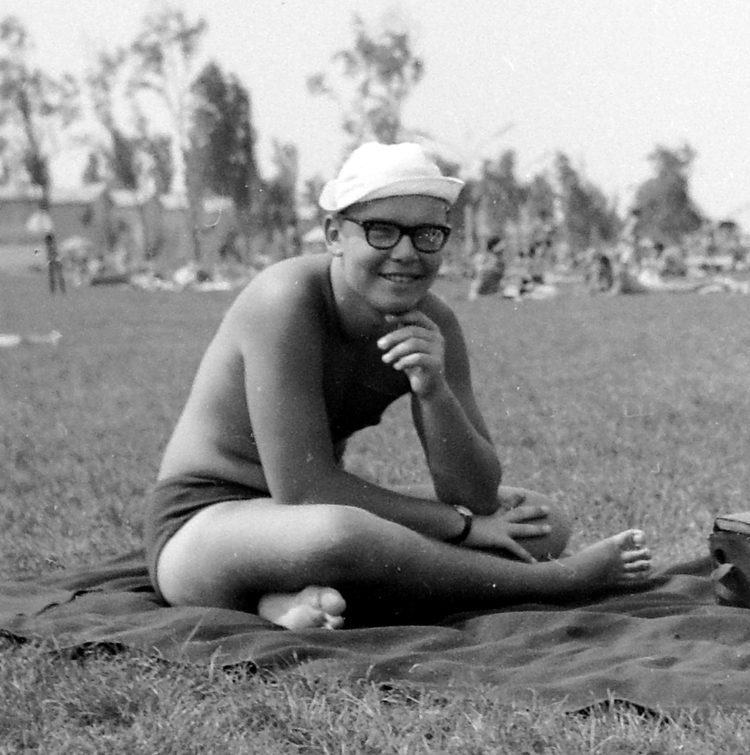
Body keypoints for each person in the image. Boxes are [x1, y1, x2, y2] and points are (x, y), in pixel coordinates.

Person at [145, 140, 658, 631]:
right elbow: (304, 490)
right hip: (204, 523)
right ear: (333, 235)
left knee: (541, 519)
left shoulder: (434, 322)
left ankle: (284, 598)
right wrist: (460, 528)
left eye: (427, 234)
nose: (407, 253)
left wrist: (434, 393)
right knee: (340, 534)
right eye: (382, 231)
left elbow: (476, 494)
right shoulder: (285, 299)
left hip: (293, 524)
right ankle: (549, 583)